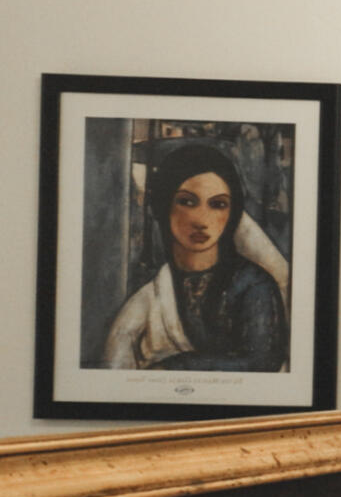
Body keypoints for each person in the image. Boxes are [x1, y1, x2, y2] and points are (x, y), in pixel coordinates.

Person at [97, 139, 289, 372]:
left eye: (218, 204)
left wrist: (174, 368)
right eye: (187, 202)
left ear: (232, 213)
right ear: (163, 205)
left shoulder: (254, 285)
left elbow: (262, 363)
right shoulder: (152, 293)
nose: (201, 220)